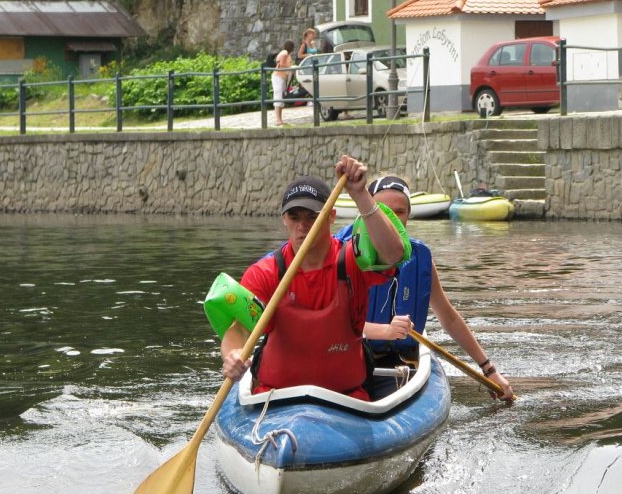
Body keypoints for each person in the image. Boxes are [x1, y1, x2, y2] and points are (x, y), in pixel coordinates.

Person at [219, 155, 410, 400]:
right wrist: (233, 355)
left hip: (346, 398)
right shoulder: (266, 272)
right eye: (295, 217)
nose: (303, 226)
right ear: (284, 219)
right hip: (275, 398)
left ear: (331, 217)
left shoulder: (353, 260)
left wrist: (361, 194)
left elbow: (395, 254)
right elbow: (240, 328)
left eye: (312, 216)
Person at [351, 175, 515, 401]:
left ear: (409, 215)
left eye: (399, 212)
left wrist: (489, 370)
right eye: (382, 210)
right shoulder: (345, 253)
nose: (390, 219)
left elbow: (449, 318)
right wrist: (384, 331)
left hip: (401, 364)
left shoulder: (420, 258)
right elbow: (333, 324)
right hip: (353, 359)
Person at [271, 40, 296, 127]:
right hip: (278, 77)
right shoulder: (285, 53)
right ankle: (278, 119)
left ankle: (280, 119)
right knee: (278, 97)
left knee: (281, 98)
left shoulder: (286, 54)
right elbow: (281, 64)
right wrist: (291, 67)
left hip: (282, 77)